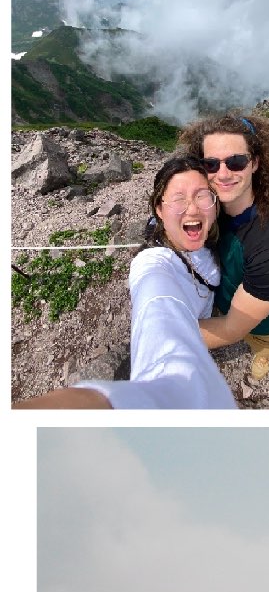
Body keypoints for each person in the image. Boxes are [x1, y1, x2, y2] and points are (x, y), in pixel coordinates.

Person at [14, 156, 236, 409]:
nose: (193, 208)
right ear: (159, 210)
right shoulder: (153, 264)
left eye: (202, 196)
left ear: (215, 204)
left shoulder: (211, 236)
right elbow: (159, 310)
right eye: (178, 198)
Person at [177, 112, 269, 382]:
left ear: (255, 163)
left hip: (262, 324)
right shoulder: (209, 209)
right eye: (210, 164)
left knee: (264, 338)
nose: (222, 174)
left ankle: (266, 352)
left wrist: (165, 336)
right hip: (225, 298)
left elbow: (233, 328)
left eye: (236, 162)